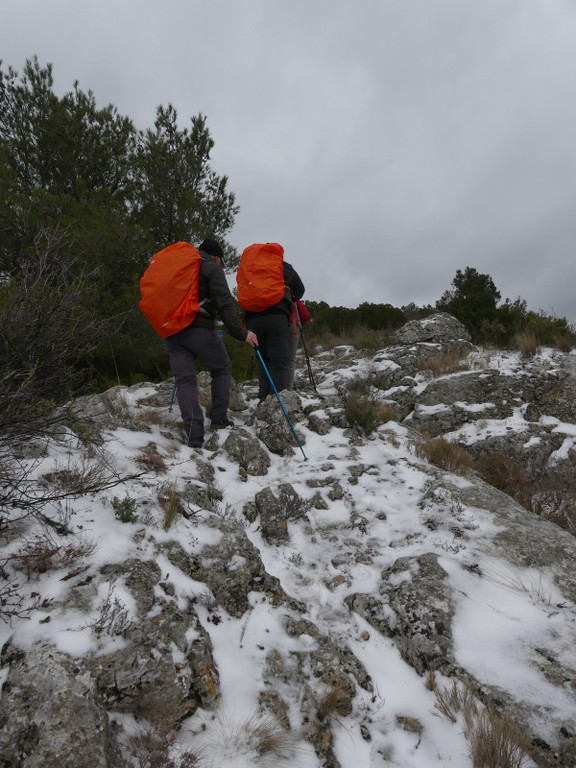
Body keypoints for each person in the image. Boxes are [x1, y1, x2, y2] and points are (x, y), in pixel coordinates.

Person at [164, 238, 258, 449]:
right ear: (216, 257)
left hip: (171, 331)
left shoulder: (178, 268)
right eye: (221, 262)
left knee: (185, 380)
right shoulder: (209, 268)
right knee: (221, 368)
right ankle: (218, 419)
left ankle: (194, 435)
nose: (221, 266)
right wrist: (242, 334)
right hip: (198, 329)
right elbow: (224, 304)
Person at [243, 257, 305, 400]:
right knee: (280, 362)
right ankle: (277, 405)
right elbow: (300, 290)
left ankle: (263, 399)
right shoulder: (283, 265)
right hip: (277, 316)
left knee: (263, 360)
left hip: (252, 318)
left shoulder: (252, 267)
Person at [287, 299, 311, 390]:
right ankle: (287, 391)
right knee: (290, 360)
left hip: (274, 327)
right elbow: (305, 315)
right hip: (293, 326)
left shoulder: (272, 293)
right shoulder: (290, 294)